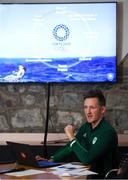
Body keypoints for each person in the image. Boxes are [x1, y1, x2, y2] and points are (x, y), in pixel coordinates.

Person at [37, 89, 119, 178]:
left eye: (92, 107)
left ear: (102, 109)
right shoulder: (86, 126)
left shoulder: (108, 132)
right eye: (85, 107)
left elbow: (87, 159)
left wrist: (71, 137)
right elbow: (70, 147)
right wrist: (51, 160)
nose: (88, 112)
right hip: (86, 175)